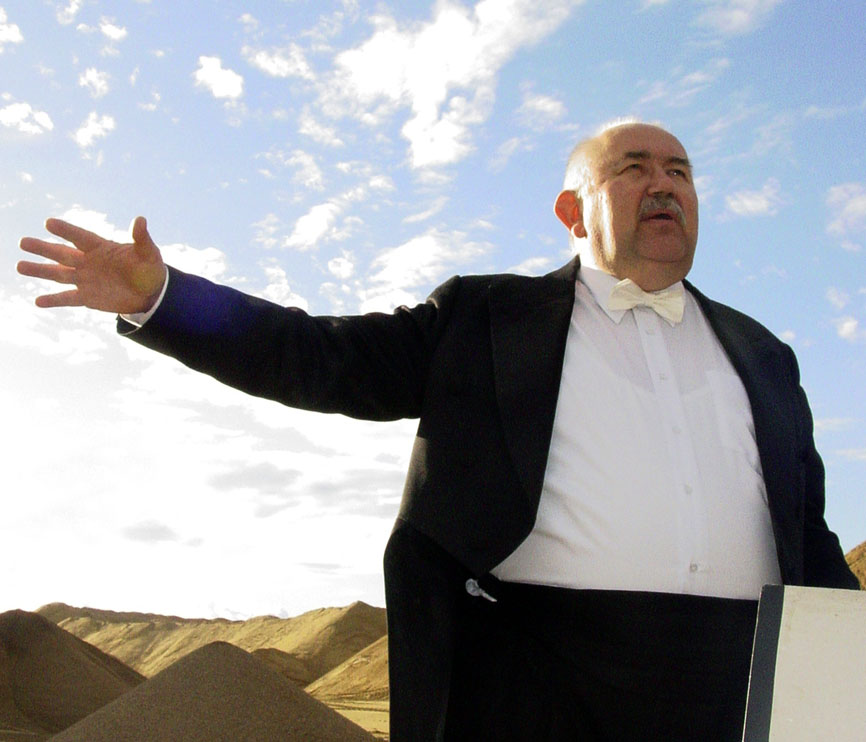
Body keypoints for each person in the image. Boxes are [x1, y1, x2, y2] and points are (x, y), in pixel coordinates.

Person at [18, 121, 858, 741]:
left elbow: (807, 533)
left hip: (743, 683)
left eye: (680, 171)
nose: (665, 184)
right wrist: (167, 300)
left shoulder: (763, 353)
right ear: (573, 210)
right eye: (634, 168)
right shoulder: (484, 318)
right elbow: (321, 355)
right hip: (541, 680)